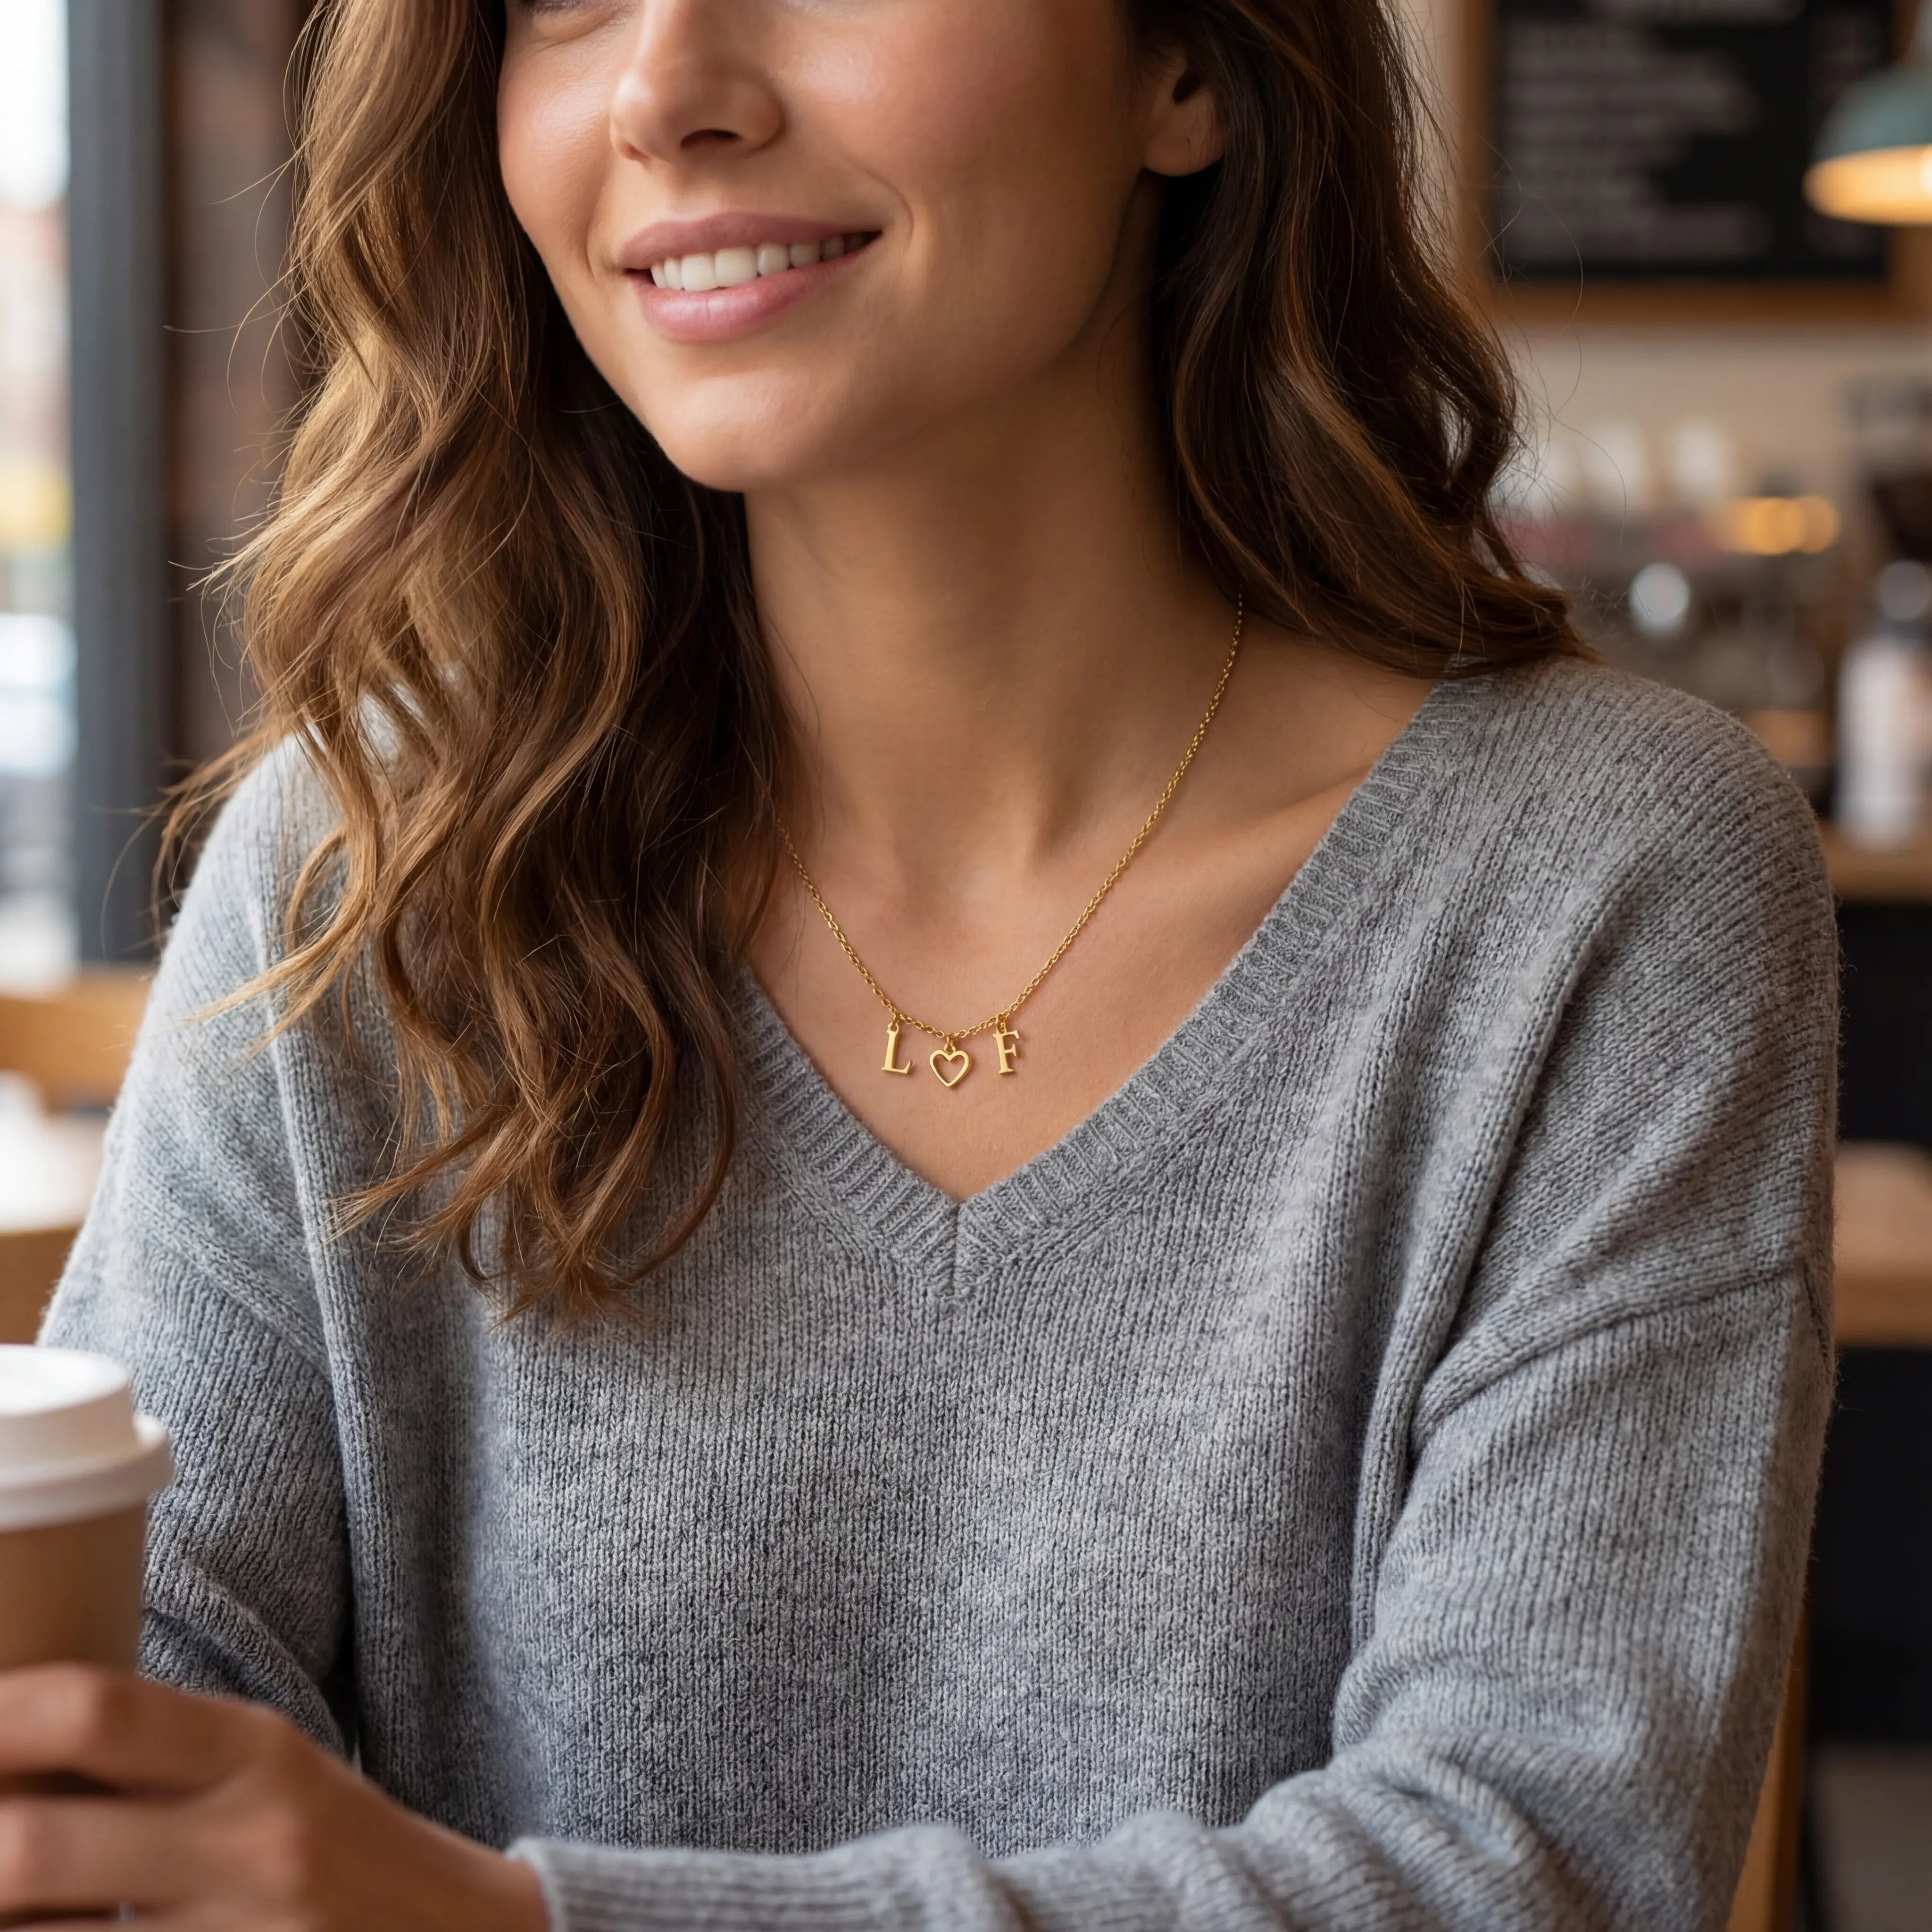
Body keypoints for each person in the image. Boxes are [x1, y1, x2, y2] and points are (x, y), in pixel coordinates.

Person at [9, 0, 1833, 1926]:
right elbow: (124, 1715)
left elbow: (1529, 1874)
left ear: (1188, 69)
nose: (664, 91)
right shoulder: (364, 868)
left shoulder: (1607, 886)